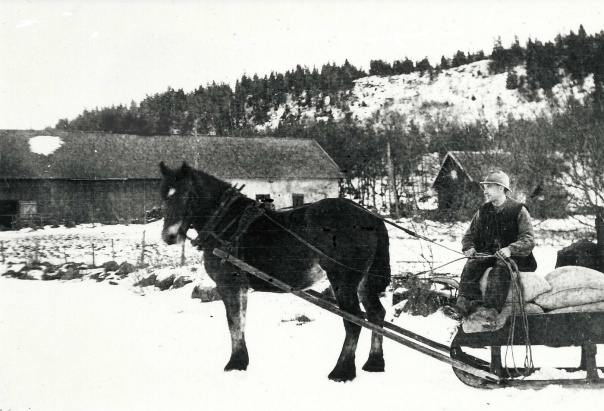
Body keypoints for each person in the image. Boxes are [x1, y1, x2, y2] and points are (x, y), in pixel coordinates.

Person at [443, 170, 537, 321]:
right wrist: (469, 247)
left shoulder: (519, 210)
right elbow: (469, 235)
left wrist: (510, 249)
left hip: (516, 258)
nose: (485, 191)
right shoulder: (483, 211)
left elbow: (528, 239)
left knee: (500, 268)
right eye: (485, 187)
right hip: (489, 255)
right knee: (472, 264)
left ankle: (491, 311)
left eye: (489, 187)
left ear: (501, 188)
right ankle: (463, 305)